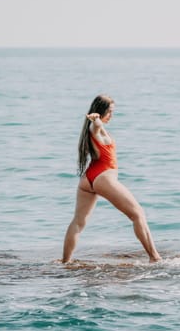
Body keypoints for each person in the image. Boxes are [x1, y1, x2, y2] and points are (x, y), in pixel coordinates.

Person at [62, 94, 162, 263]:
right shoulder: (95, 128)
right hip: (103, 177)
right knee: (138, 214)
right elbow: (96, 127)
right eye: (109, 112)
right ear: (100, 112)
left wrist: (97, 122)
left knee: (78, 222)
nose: (111, 116)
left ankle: (66, 261)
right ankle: (155, 257)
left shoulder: (95, 130)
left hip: (88, 178)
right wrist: (96, 121)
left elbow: (97, 128)